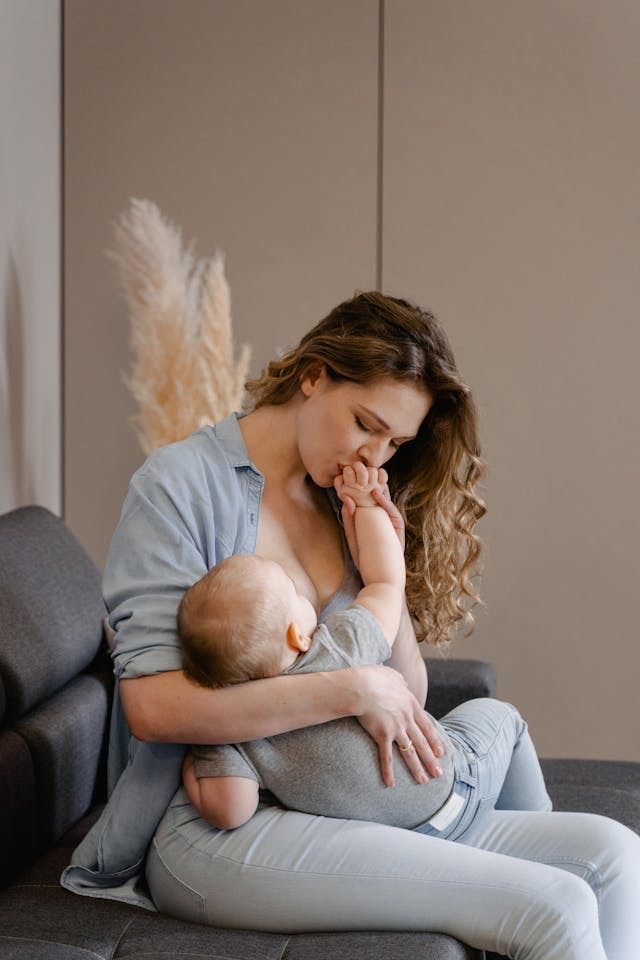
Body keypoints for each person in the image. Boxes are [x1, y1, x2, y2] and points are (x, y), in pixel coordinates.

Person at [62, 291, 640, 960]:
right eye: (367, 423)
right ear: (314, 376)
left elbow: (407, 694)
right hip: (219, 823)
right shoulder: (179, 486)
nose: (377, 456)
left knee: (616, 857)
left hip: (355, 798)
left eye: (396, 442)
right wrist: (351, 689)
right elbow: (155, 707)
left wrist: (379, 568)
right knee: (555, 906)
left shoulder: (344, 498)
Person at [178, 462, 525, 843]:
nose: (302, 593)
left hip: (400, 838)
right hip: (453, 788)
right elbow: (384, 584)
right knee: (502, 718)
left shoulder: (235, 732)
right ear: (297, 636)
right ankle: (533, 823)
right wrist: (367, 506)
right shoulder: (338, 649)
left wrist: (197, 759)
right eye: (294, 593)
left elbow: (230, 810)